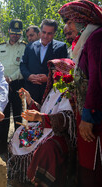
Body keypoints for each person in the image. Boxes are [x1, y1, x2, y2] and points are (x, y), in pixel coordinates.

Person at [8, 58, 76, 186]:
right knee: (18, 133)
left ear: (67, 73)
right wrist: (29, 100)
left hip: (60, 133)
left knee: (47, 147)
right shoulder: (53, 90)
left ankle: (38, 181)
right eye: (53, 72)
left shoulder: (70, 93)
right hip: (44, 127)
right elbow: (43, 110)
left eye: (59, 72)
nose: (55, 75)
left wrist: (40, 118)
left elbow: (66, 120)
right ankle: (21, 175)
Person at [58, 1, 102, 186]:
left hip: (95, 117)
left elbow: (96, 80)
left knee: (94, 164)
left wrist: (87, 117)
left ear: (82, 19)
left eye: (70, 22)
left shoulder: (96, 38)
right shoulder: (89, 38)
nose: (66, 27)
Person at [20, 19, 68, 104]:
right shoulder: (30, 46)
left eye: (49, 33)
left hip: (51, 93)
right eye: (44, 32)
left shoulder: (61, 48)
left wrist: (48, 77)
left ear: (54, 34)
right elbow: (23, 64)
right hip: (31, 92)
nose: (46, 36)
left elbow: (63, 69)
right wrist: (29, 76)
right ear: (40, 32)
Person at [0, 19, 26, 136]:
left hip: (17, 84)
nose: (15, 36)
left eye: (18, 33)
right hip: (2, 84)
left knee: (19, 114)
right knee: (3, 114)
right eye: (13, 33)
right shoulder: (0, 47)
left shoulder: (24, 47)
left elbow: (23, 67)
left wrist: (11, 78)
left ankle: (18, 143)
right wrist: (4, 80)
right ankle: (2, 144)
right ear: (8, 31)